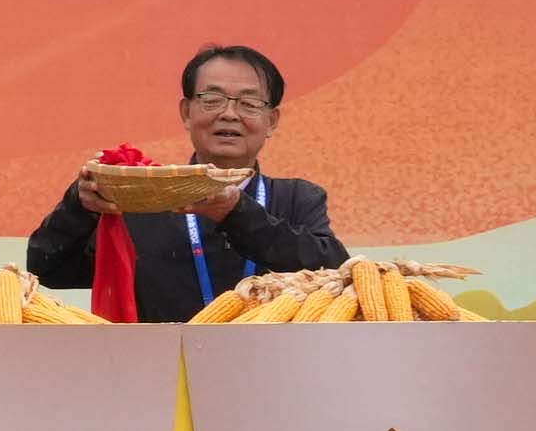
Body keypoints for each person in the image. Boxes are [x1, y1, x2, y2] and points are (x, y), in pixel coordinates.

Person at [26, 43, 349, 322]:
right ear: (186, 113)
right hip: (157, 368)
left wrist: (236, 213)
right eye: (212, 99)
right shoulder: (144, 199)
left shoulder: (296, 199)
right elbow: (49, 270)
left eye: (249, 103)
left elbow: (334, 272)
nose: (229, 114)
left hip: (268, 368)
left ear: (271, 121)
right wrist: (79, 204)